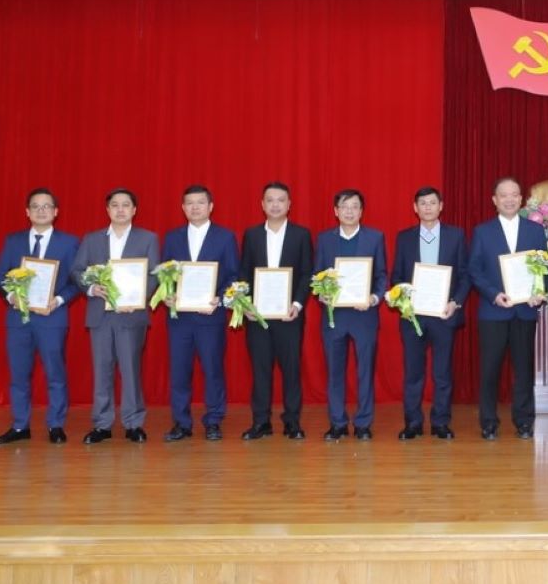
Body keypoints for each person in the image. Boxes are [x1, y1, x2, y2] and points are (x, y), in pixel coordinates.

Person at [0, 188, 80, 445]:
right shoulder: (13, 241)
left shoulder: (70, 242)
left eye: (46, 206)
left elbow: (76, 281)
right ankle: (20, 426)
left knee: (55, 373)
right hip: (18, 318)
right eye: (36, 206)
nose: (41, 210)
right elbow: (0, 276)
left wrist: (59, 300)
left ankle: (55, 425)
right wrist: (11, 297)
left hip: (52, 318)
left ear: (56, 212)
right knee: (19, 374)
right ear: (27, 212)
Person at [72, 188, 159, 444]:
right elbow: (77, 270)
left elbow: (154, 274)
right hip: (100, 314)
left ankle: (133, 423)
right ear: (107, 209)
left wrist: (139, 298)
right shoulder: (92, 239)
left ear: (134, 210)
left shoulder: (148, 238)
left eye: (126, 205)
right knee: (102, 370)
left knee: (131, 370)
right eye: (115, 205)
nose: (120, 209)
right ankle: (102, 424)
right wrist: (90, 287)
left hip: (131, 315)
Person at [468, 177, 547, 440]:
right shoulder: (482, 231)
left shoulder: (535, 230)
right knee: (489, 370)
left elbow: (543, 267)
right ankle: (488, 423)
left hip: (524, 311)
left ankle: (524, 422)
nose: (510, 199)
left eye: (515, 194)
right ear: (495, 200)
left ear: (521, 199)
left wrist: (538, 290)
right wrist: (493, 294)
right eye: (504, 195)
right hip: (494, 311)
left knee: (524, 370)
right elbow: (474, 270)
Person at [160, 184, 239, 442]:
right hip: (180, 318)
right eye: (189, 203)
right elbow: (165, 276)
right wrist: (167, 293)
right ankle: (182, 423)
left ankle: (213, 420)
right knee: (179, 371)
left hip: (210, 316)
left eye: (200, 203)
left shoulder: (225, 237)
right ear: (183, 208)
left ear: (210, 206)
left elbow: (233, 276)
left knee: (213, 369)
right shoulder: (172, 237)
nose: (195, 207)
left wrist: (221, 298)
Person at [390, 186, 470, 440]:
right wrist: (403, 300)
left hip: (444, 315)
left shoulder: (456, 236)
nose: (427, 207)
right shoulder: (404, 238)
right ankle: (412, 423)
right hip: (413, 316)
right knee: (413, 373)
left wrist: (455, 302)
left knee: (442, 373)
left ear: (441, 206)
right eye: (422, 203)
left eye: (432, 203)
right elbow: (397, 277)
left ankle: (440, 422)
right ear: (415, 208)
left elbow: (465, 275)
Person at [239, 182, 313, 441]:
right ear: (262, 204)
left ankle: (292, 422)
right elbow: (244, 274)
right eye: (270, 200)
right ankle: (261, 422)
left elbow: (306, 274)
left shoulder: (301, 235)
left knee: (291, 370)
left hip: (289, 315)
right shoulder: (251, 235)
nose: (275, 204)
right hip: (257, 316)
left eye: (281, 200)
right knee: (260, 370)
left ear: (289, 204)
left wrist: (297, 305)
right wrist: (245, 304)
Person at [314, 189, 387, 442]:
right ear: (336, 211)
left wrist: (374, 298)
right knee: (335, 371)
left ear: (361, 211)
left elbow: (381, 275)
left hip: (364, 315)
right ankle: (338, 423)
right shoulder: (324, 240)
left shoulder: (375, 238)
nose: (349, 211)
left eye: (354, 206)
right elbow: (317, 275)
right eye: (344, 206)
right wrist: (320, 294)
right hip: (334, 316)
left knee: (365, 371)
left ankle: (363, 423)